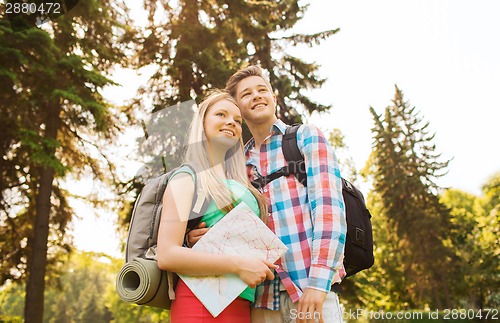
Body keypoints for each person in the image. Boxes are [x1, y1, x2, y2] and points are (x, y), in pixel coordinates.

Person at [188, 66, 347, 323]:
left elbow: (330, 213)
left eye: (262, 90)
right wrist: (198, 239)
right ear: (238, 108)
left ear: (274, 98)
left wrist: (318, 284)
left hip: (310, 289)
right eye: (247, 93)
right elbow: (230, 226)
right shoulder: (237, 163)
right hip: (262, 299)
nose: (257, 96)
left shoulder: (306, 137)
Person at [156, 90, 278, 323]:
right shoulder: (187, 177)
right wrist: (239, 265)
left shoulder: (243, 183)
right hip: (200, 304)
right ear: (202, 123)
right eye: (221, 114)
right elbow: (167, 254)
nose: (231, 122)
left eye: (237, 120)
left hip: (242, 304)